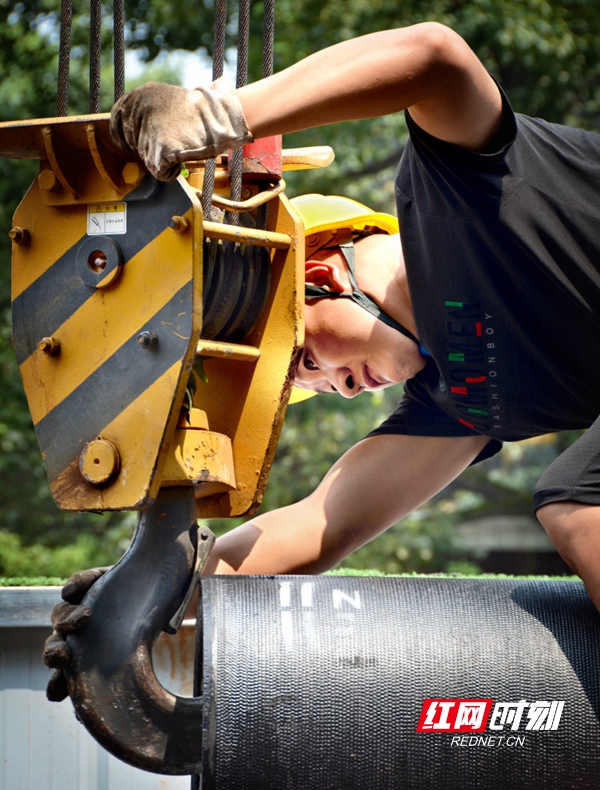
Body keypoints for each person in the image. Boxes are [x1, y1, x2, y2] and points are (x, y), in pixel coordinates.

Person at [45, 20, 600, 695]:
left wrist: (221, 118)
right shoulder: (460, 402)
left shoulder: (454, 191)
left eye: (304, 359)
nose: (335, 388)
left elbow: (434, 56)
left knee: (577, 501)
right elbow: (319, 526)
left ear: (320, 274)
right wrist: (144, 593)